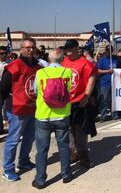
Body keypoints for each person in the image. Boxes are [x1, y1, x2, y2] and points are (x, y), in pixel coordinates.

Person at [1, 38, 42, 181]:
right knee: (13, 140)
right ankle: (8, 169)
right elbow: (3, 88)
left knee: (29, 138)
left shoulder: (38, 66)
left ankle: (24, 161)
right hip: (16, 109)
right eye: (27, 47)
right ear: (21, 50)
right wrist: (7, 105)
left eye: (32, 47)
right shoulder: (14, 66)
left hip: (32, 108)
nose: (30, 50)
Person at [31, 49, 73, 189]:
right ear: (62, 59)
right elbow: (70, 89)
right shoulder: (67, 72)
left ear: (49, 58)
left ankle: (40, 179)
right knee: (64, 146)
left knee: (42, 149)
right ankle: (66, 174)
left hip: (43, 115)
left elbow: (36, 91)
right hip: (62, 115)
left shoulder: (40, 73)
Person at [61, 39, 97, 169]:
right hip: (65, 103)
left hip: (80, 102)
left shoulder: (85, 63)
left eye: (71, 47)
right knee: (68, 130)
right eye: (67, 48)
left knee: (81, 131)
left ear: (77, 48)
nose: (68, 50)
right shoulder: (62, 62)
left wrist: (86, 97)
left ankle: (83, 155)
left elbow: (91, 78)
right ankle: (73, 152)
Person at [96, 45, 121, 121]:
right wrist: (107, 71)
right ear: (106, 51)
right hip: (105, 83)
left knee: (115, 100)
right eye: (108, 50)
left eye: (110, 50)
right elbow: (97, 71)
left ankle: (115, 115)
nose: (109, 52)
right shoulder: (102, 60)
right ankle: (103, 116)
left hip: (115, 83)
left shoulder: (116, 59)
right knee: (104, 100)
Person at [0, 46, 10, 134]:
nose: (3, 55)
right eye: (1, 53)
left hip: (6, 89)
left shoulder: (10, 63)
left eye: (5, 53)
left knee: (5, 107)